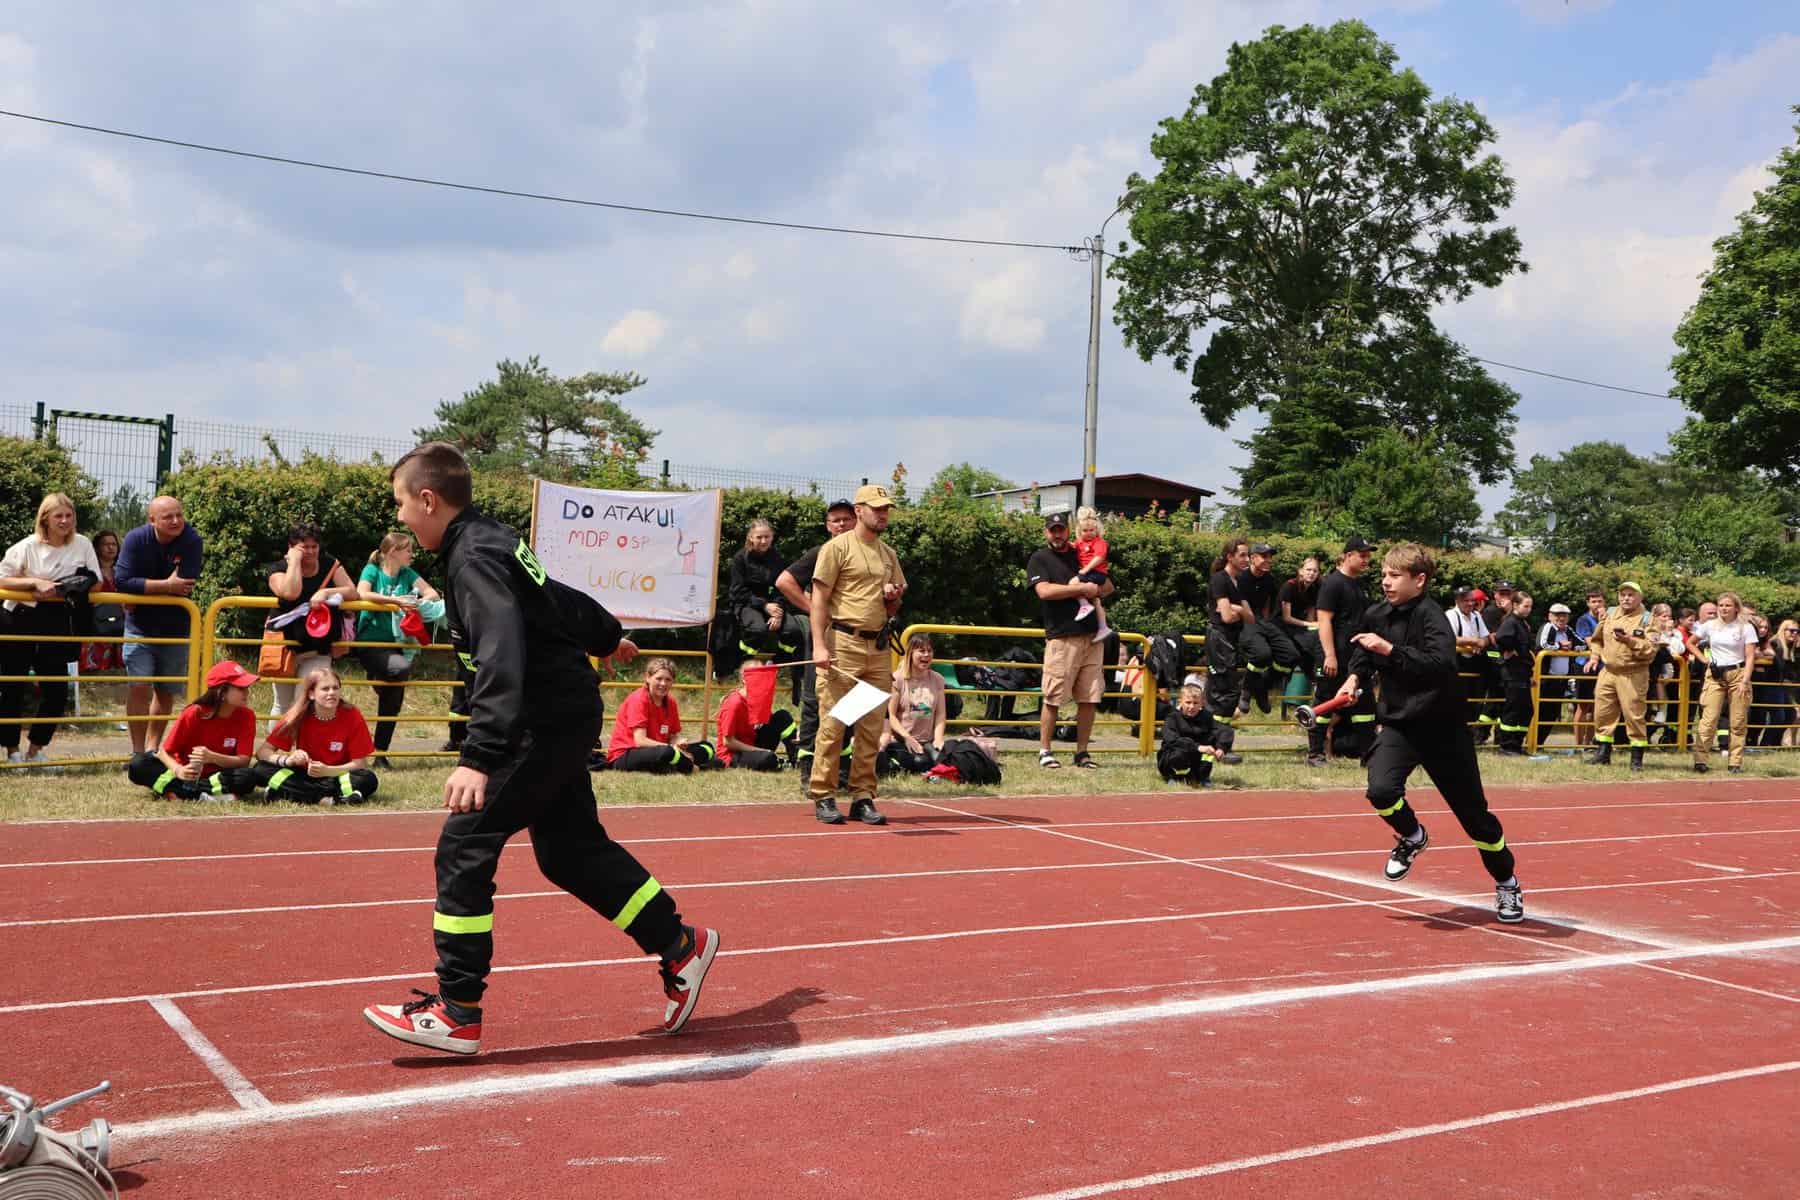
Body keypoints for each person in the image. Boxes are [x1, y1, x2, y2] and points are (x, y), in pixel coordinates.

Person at [362, 441, 717, 1056]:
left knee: (465, 842)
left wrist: (479, 755)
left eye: (401, 503)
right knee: (570, 852)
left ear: (428, 499)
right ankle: (679, 944)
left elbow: (501, 652)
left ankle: (457, 1010)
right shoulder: (489, 539)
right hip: (563, 714)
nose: (399, 516)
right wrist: (606, 635)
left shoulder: (472, 556)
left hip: (540, 723)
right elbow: (554, 596)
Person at [1336, 543, 1525, 923]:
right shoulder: (1375, 614)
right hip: (1400, 724)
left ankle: (1507, 882)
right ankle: (1412, 836)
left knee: (1476, 819)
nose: (1386, 582)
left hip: (1444, 729)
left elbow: (1440, 665)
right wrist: (1354, 678)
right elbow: (1363, 653)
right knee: (1381, 790)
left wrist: (1390, 650)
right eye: (1384, 574)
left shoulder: (1432, 616)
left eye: (1395, 576)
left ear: (1419, 580)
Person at [807, 483, 906, 825]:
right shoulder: (837, 548)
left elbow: (893, 606)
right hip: (843, 645)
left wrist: (893, 598)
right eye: (877, 508)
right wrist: (819, 645)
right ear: (859, 511)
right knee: (834, 722)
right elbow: (819, 600)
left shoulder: (888, 554)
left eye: (886, 508)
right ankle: (823, 793)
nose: (883, 514)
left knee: (870, 726)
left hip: (876, 647)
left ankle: (863, 796)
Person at [0, 493, 101, 764]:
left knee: (57, 689)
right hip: (19, 617)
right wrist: (33, 582)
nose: (65, 521)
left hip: (58, 618)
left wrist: (65, 587)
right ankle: (12, 751)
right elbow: (2, 579)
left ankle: (36, 749)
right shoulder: (27, 546)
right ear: (45, 519)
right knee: (12, 686)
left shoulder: (82, 543)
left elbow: (97, 582)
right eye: (58, 516)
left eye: (69, 515)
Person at [775, 498, 859, 789]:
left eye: (846, 519)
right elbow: (784, 581)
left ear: (857, 520)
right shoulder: (821, 553)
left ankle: (842, 770)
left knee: (849, 702)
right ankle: (808, 771)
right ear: (828, 526)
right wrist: (815, 610)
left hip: (854, 640)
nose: (842, 524)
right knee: (813, 701)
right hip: (823, 638)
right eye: (836, 520)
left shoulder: (866, 554)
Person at [114, 496, 203, 755]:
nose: (176, 521)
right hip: (139, 627)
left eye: (179, 515)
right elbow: (122, 581)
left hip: (176, 628)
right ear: (152, 520)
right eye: (168, 517)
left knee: (166, 691)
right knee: (139, 686)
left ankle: (152, 750)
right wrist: (166, 585)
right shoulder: (135, 539)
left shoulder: (192, 539)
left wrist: (141, 589)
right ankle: (137, 752)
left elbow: (185, 585)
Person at [1029, 511, 1111, 771]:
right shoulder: (1040, 558)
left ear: (1068, 530)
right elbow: (1044, 591)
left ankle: (1082, 753)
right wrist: (1081, 589)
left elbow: (1108, 586)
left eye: (1061, 529)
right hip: (1062, 638)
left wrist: (1095, 588)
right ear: (1046, 532)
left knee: (1089, 698)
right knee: (1053, 697)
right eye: (1053, 529)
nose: (1057, 534)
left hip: (1093, 638)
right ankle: (1045, 751)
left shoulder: (1082, 551)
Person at [356, 531, 443, 766]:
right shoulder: (372, 570)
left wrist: (418, 602)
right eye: (408, 551)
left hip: (399, 644)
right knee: (400, 671)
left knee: (394, 695)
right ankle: (376, 675)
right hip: (371, 642)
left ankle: (380, 754)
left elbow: (432, 593)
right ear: (393, 552)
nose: (412, 555)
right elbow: (362, 593)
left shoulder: (407, 573)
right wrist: (397, 601)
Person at [124, 659, 260, 800]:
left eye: (247, 687)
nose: (247, 692)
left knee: (248, 777)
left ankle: (181, 791)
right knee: (138, 765)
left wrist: (212, 757)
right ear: (221, 692)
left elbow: (243, 761)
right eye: (241, 688)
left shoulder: (247, 716)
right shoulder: (194, 713)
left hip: (217, 776)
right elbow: (164, 752)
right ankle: (203, 794)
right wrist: (178, 770)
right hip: (184, 772)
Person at [267, 522, 359, 715]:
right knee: (282, 704)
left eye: (314, 546)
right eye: (304, 547)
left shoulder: (330, 564)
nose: (310, 551)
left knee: (306, 701)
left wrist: (326, 592)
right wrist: (294, 562)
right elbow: (290, 592)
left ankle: (303, 736)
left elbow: (353, 592)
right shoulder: (278, 568)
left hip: (318, 647)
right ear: (291, 547)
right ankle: (279, 737)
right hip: (284, 646)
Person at [253, 665, 379, 804]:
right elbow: (262, 752)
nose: (332, 693)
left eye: (335, 688)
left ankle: (290, 794)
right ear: (311, 694)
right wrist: (288, 760)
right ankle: (327, 799)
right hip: (303, 775)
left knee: (368, 778)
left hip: (337, 775)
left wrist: (327, 771)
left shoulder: (352, 715)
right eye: (325, 689)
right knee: (260, 769)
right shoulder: (297, 715)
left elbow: (360, 764)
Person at [1306, 538, 1376, 767]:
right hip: (1334, 656)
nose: (1366, 560)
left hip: (1356, 658)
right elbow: (1324, 620)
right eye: (1362, 555)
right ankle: (1315, 754)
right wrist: (1330, 655)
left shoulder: (1360, 585)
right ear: (1347, 556)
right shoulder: (1333, 583)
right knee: (1325, 704)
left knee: (1365, 708)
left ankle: (1369, 757)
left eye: (1368, 556)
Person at [1584, 581, 1658, 772]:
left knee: (1634, 715)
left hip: (1633, 673)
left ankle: (1636, 758)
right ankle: (1603, 753)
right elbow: (1597, 639)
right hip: (1608, 671)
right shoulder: (1609, 613)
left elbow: (1651, 650)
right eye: (1622, 594)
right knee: (1602, 713)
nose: (1626, 598)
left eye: (1631, 595)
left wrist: (1629, 640)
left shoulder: (1648, 619)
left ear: (1640, 598)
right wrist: (1594, 657)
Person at [609, 657, 716, 773]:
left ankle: (678, 764)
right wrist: (673, 748)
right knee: (667, 752)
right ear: (648, 678)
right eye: (659, 679)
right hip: (626, 754)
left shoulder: (671, 702)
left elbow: (673, 736)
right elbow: (640, 741)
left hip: (660, 749)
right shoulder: (639, 699)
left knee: (706, 747)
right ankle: (692, 767)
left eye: (668, 679)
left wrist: (678, 742)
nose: (663, 683)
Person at [1690, 592, 1758, 774]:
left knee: (1737, 721)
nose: (1723, 609)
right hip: (1715, 674)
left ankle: (1735, 762)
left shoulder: (1746, 628)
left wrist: (1745, 680)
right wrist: (1704, 660)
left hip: (1738, 672)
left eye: (1728, 605)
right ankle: (1700, 760)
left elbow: (1750, 656)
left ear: (1736, 608)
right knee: (1708, 719)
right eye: (1721, 605)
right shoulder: (1710, 626)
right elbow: (1691, 643)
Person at [1202, 536, 1253, 763]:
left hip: (1231, 641)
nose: (1246, 559)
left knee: (1227, 692)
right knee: (1223, 692)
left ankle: (1220, 744)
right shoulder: (1219, 580)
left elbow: (1250, 618)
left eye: (1247, 555)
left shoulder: (1238, 582)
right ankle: (1218, 746)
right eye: (1242, 555)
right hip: (1220, 639)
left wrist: (1237, 610)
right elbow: (1227, 617)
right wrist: (1238, 610)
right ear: (1230, 557)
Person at [1238, 542, 1302, 714]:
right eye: (1264, 556)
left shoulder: (1268, 578)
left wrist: (1266, 622)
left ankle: (1262, 688)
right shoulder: (1242, 578)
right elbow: (1242, 607)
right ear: (1252, 558)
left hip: (1262, 621)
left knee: (1291, 655)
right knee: (1262, 654)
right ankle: (1246, 691)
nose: (1269, 560)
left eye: (1270, 557)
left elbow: (1269, 602)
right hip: (1245, 622)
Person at [728, 519, 803, 660]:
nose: (763, 541)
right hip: (747, 604)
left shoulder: (777, 558)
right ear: (750, 537)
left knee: (792, 630)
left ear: (772, 537)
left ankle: (776, 664)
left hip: (773, 605)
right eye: (759, 537)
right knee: (758, 630)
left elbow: (781, 588)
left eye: (767, 537)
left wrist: (778, 613)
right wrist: (764, 605)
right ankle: (742, 662)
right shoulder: (740, 559)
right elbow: (737, 592)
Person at [880, 633, 947, 775]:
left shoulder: (938, 679)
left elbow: (940, 714)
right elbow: (890, 715)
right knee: (918, 762)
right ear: (911, 653)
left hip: (927, 740)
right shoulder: (897, 679)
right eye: (921, 651)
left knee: (940, 761)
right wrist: (907, 738)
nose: (926, 655)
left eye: (929, 651)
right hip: (902, 738)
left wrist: (938, 739)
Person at [713, 663, 797, 772]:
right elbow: (728, 742)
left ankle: (796, 760)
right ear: (744, 679)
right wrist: (759, 750)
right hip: (732, 754)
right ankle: (778, 762)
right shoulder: (734, 703)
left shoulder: (755, 698)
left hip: (751, 744)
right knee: (768, 758)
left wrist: (796, 734)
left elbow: (769, 724)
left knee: (782, 716)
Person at [1444, 585, 1491, 744]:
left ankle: (1468, 736)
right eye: (1466, 601)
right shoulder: (1451, 615)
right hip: (1457, 663)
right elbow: (1450, 638)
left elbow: (1485, 637)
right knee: (1457, 700)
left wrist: (1481, 643)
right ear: (1457, 601)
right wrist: (1473, 641)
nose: (1470, 604)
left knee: (1475, 701)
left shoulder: (1476, 616)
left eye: (1472, 600)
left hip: (1474, 663)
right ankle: (1454, 736)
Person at [79, 528, 125, 676]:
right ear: (97, 548)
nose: (111, 547)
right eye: (106, 544)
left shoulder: (123, 571)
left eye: (114, 544)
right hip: (94, 624)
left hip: (119, 624)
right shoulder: (89, 571)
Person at [1494, 592, 1535, 755]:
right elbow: (1501, 637)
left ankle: (1516, 744)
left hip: (1522, 671)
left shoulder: (1522, 622)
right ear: (1516, 605)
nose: (1529, 609)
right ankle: (1506, 745)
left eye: (1530, 606)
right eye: (1526, 606)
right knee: (1513, 708)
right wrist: (1510, 650)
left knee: (1526, 709)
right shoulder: (1511, 621)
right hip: (1512, 672)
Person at [1157, 675, 1216, 787]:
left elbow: (1217, 733)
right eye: (1188, 702)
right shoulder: (1172, 717)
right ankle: (1174, 777)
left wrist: (1221, 747)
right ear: (1181, 701)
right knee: (1179, 751)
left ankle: (1203, 776)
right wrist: (1197, 747)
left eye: (1195, 703)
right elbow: (1172, 740)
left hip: (1194, 757)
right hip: (1172, 758)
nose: (1191, 706)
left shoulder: (1207, 717)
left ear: (1202, 703)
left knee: (1209, 747)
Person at [1071, 507, 1113, 643]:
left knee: (1073, 583)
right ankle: (1103, 627)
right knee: (1096, 600)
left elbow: (1099, 557)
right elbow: (1072, 547)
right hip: (1090, 572)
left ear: (1097, 530)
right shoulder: (1079, 542)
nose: (1089, 533)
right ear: (1079, 531)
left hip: (1097, 573)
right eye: (1085, 530)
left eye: (1091, 530)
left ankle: (1084, 604)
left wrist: (1086, 569)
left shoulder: (1099, 542)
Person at [1277, 555, 1323, 681]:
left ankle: (1318, 677)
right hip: (1282, 626)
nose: (1311, 573)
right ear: (1300, 571)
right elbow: (1286, 618)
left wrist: (1313, 626)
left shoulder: (1315, 588)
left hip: (1299, 627)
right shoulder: (1289, 586)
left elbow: (1310, 616)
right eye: (1308, 570)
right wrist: (1310, 625)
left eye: (1315, 571)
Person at [1535, 603, 1576, 741]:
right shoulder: (1548, 627)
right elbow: (1542, 644)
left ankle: (1539, 742)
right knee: (1541, 710)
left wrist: (1573, 647)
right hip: (1546, 678)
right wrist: (1559, 646)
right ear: (1550, 616)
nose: (1561, 618)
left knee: (1552, 712)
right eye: (1557, 615)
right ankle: (1532, 741)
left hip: (1561, 679)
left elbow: (1581, 643)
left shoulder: (1568, 630)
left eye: (1564, 615)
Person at [1570, 589, 1605, 746]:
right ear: (1588, 603)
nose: (1597, 604)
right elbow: (1591, 642)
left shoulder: (1609, 619)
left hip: (1602, 666)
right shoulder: (1583, 620)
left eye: (1599, 601)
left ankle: (1589, 742)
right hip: (1585, 666)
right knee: (1583, 706)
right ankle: (1578, 744)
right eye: (1593, 601)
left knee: (1597, 706)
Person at [1770, 618, 1800, 748]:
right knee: (1780, 716)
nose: (1795, 633)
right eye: (1792, 631)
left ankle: (1775, 743)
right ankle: (1768, 743)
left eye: (1797, 631)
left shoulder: (1791, 647)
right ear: (1783, 630)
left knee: (1790, 715)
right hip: (1774, 685)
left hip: (1787, 686)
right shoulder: (1775, 644)